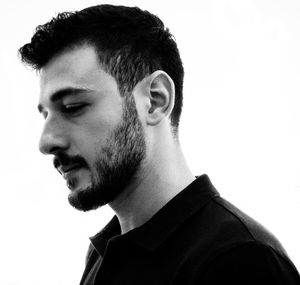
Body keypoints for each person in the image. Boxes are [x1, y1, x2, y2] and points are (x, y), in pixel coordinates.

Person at [19, 4, 300, 285]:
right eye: (45, 115)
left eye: (72, 107)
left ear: (155, 100)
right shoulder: (102, 255)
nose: (46, 142)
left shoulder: (240, 261)